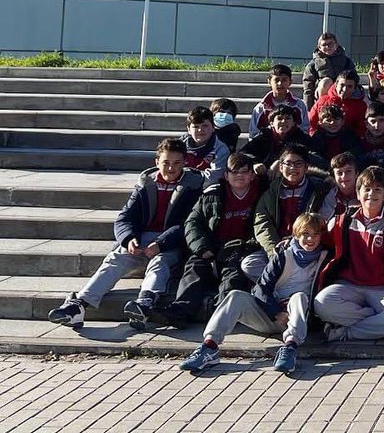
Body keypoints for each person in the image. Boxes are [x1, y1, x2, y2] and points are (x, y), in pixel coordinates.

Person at [48, 139, 203, 330]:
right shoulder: (145, 184)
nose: (171, 168)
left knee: (159, 262)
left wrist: (161, 243)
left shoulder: (194, 186)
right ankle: (78, 305)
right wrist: (129, 238)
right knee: (116, 257)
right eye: (166, 163)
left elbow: (188, 224)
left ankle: (145, 303)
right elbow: (125, 218)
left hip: (172, 243)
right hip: (142, 239)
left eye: (176, 163)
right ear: (157, 163)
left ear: (185, 162)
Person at [179, 212, 329, 375]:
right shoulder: (283, 255)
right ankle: (209, 347)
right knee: (235, 296)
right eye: (305, 234)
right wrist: (275, 313)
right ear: (295, 235)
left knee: (299, 296)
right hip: (273, 315)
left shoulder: (325, 257)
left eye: (316, 234)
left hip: (300, 317)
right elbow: (261, 288)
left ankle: (290, 349)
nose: (310, 239)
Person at [148, 152, 269, 329]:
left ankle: (220, 314)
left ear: (252, 175)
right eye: (234, 172)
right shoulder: (213, 194)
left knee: (233, 276)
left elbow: (266, 225)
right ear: (226, 175)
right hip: (213, 246)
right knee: (194, 267)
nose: (240, 176)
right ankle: (178, 312)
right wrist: (202, 247)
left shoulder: (262, 194)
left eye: (244, 172)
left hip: (242, 248)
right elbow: (192, 222)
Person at [314, 166, 384, 340]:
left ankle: (345, 333)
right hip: (348, 286)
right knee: (322, 304)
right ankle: (374, 321)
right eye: (367, 189)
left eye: (378, 190)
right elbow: (321, 239)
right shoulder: (343, 221)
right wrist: (295, 239)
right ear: (358, 193)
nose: (372, 194)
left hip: (383, 289)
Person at [252, 145, 330, 279]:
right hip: (278, 245)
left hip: (306, 245)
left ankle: (285, 280)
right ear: (281, 167)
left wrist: (295, 241)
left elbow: (321, 221)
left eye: (298, 164)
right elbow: (262, 223)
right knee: (250, 264)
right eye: (288, 164)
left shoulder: (319, 190)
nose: (293, 168)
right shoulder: (271, 191)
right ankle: (286, 281)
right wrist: (273, 250)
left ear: (306, 167)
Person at [250, 64, 309, 138]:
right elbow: (254, 134)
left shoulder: (299, 105)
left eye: (284, 80)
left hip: (293, 145)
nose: (280, 84)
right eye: (276, 80)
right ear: (269, 82)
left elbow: (304, 130)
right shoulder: (261, 108)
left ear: (290, 82)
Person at [242, 105, 311, 167]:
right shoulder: (263, 137)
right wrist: (255, 163)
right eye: (280, 118)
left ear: (293, 123)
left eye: (288, 118)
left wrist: (282, 163)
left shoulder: (302, 139)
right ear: (271, 123)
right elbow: (242, 154)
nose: (283, 121)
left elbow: (314, 157)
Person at [302, 32, 355, 108]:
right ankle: (324, 109)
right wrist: (308, 108)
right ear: (319, 47)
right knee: (326, 82)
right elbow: (308, 86)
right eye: (324, 45)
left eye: (330, 44)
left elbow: (354, 78)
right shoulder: (313, 64)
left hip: (341, 89)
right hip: (322, 91)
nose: (327, 46)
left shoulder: (346, 61)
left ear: (336, 46)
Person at [180, 105, 230, 185]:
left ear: (213, 127)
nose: (200, 130)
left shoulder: (221, 149)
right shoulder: (178, 146)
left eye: (205, 126)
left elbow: (215, 176)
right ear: (188, 129)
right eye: (196, 126)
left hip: (205, 188)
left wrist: (187, 179)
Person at [308, 71, 367, 139]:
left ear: (355, 88)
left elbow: (362, 129)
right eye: (342, 85)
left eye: (349, 86)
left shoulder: (360, 106)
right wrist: (314, 138)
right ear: (336, 84)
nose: (344, 90)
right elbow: (311, 123)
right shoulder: (323, 101)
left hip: (347, 143)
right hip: (322, 142)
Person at [309, 104, 363, 169]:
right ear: (321, 123)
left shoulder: (350, 134)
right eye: (328, 120)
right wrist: (328, 166)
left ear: (343, 121)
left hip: (346, 167)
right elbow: (314, 154)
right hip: (324, 170)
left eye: (336, 119)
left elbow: (356, 150)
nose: (332, 123)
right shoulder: (317, 137)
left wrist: (342, 160)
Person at [320, 152, 360, 219]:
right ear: (334, 176)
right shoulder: (331, 195)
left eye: (348, 171)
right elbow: (325, 220)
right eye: (339, 173)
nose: (344, 176)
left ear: (356, 173)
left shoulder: (364, 193)